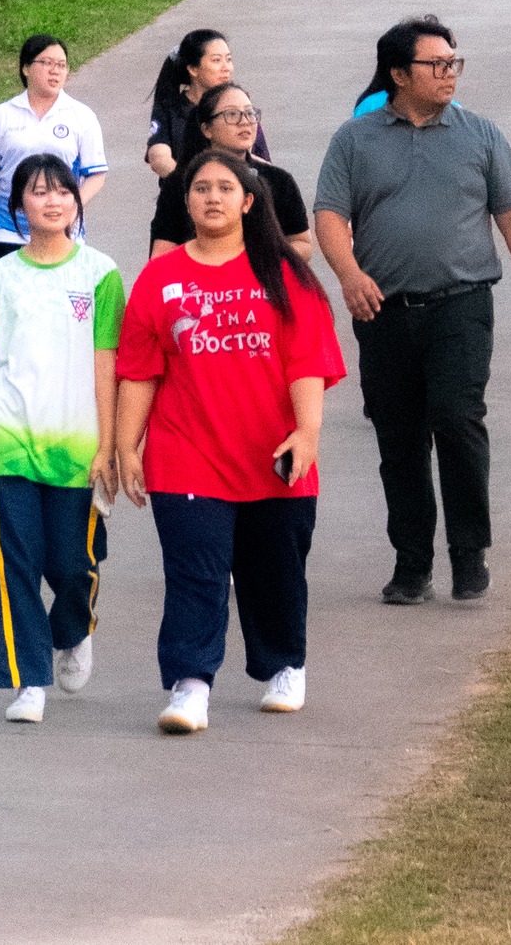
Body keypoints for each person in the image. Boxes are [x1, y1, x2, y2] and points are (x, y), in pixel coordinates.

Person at [315, 16, 511, 606]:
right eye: (436, 64)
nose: (450, 73)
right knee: (399, 436)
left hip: (462, 304)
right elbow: (329, 216)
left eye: (454, 62)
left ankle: (468, 552)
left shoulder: (480, 135)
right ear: (399, 74)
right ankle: (412, 563)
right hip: (382, 311)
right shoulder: (354, 140)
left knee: (457, 419)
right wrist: (349, 275)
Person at [115, 150, 345, 734]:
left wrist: (307, 431)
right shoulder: (159, 278)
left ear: (247, 201)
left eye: (224, 188)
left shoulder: (285, 273)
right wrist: (125, 446)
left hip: (273, 454)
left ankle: (284, 666)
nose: (212, 197)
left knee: (275, 573)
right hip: (186, 454)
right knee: (195, 574)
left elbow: (307, 361)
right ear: (186, 201)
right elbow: (139, 370)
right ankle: (190, 686)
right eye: (201, 188)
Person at [0, 155, 123, 725]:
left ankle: (73, 629)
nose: (53, 201)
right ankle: (28, 680)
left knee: (73, 564)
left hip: (75, 446)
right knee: (11, 563)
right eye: (39, 192)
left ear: (76, 201)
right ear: (18, 204)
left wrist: (109, 446)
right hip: (4, 442)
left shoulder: (100, 274)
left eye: (62, 191)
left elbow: (107, 366)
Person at [0, 35, 109, 264]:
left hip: (63, 231)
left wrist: (73, 209)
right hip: (8, 230)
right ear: (26, 68)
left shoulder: (81, 116)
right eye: (47, 63)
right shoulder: (2, 115)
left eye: (61, 65)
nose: (55, 71)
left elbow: (96, 174)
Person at [148, 83, 311, 264]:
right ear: (207, 129)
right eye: (232, 114)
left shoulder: (278, 180)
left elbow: (302, 242)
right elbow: (161, 255)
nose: (245, 121)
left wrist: (263, 262)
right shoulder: (181, 183)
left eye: (250, 113)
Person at [143, 28, 268, 178]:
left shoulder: (239, 104)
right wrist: (193, 185)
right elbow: (159, 158)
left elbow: (256, 159)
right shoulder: (172, 109)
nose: (227, 68)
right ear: (193, 69)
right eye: (216, 60)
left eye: (228, 59)